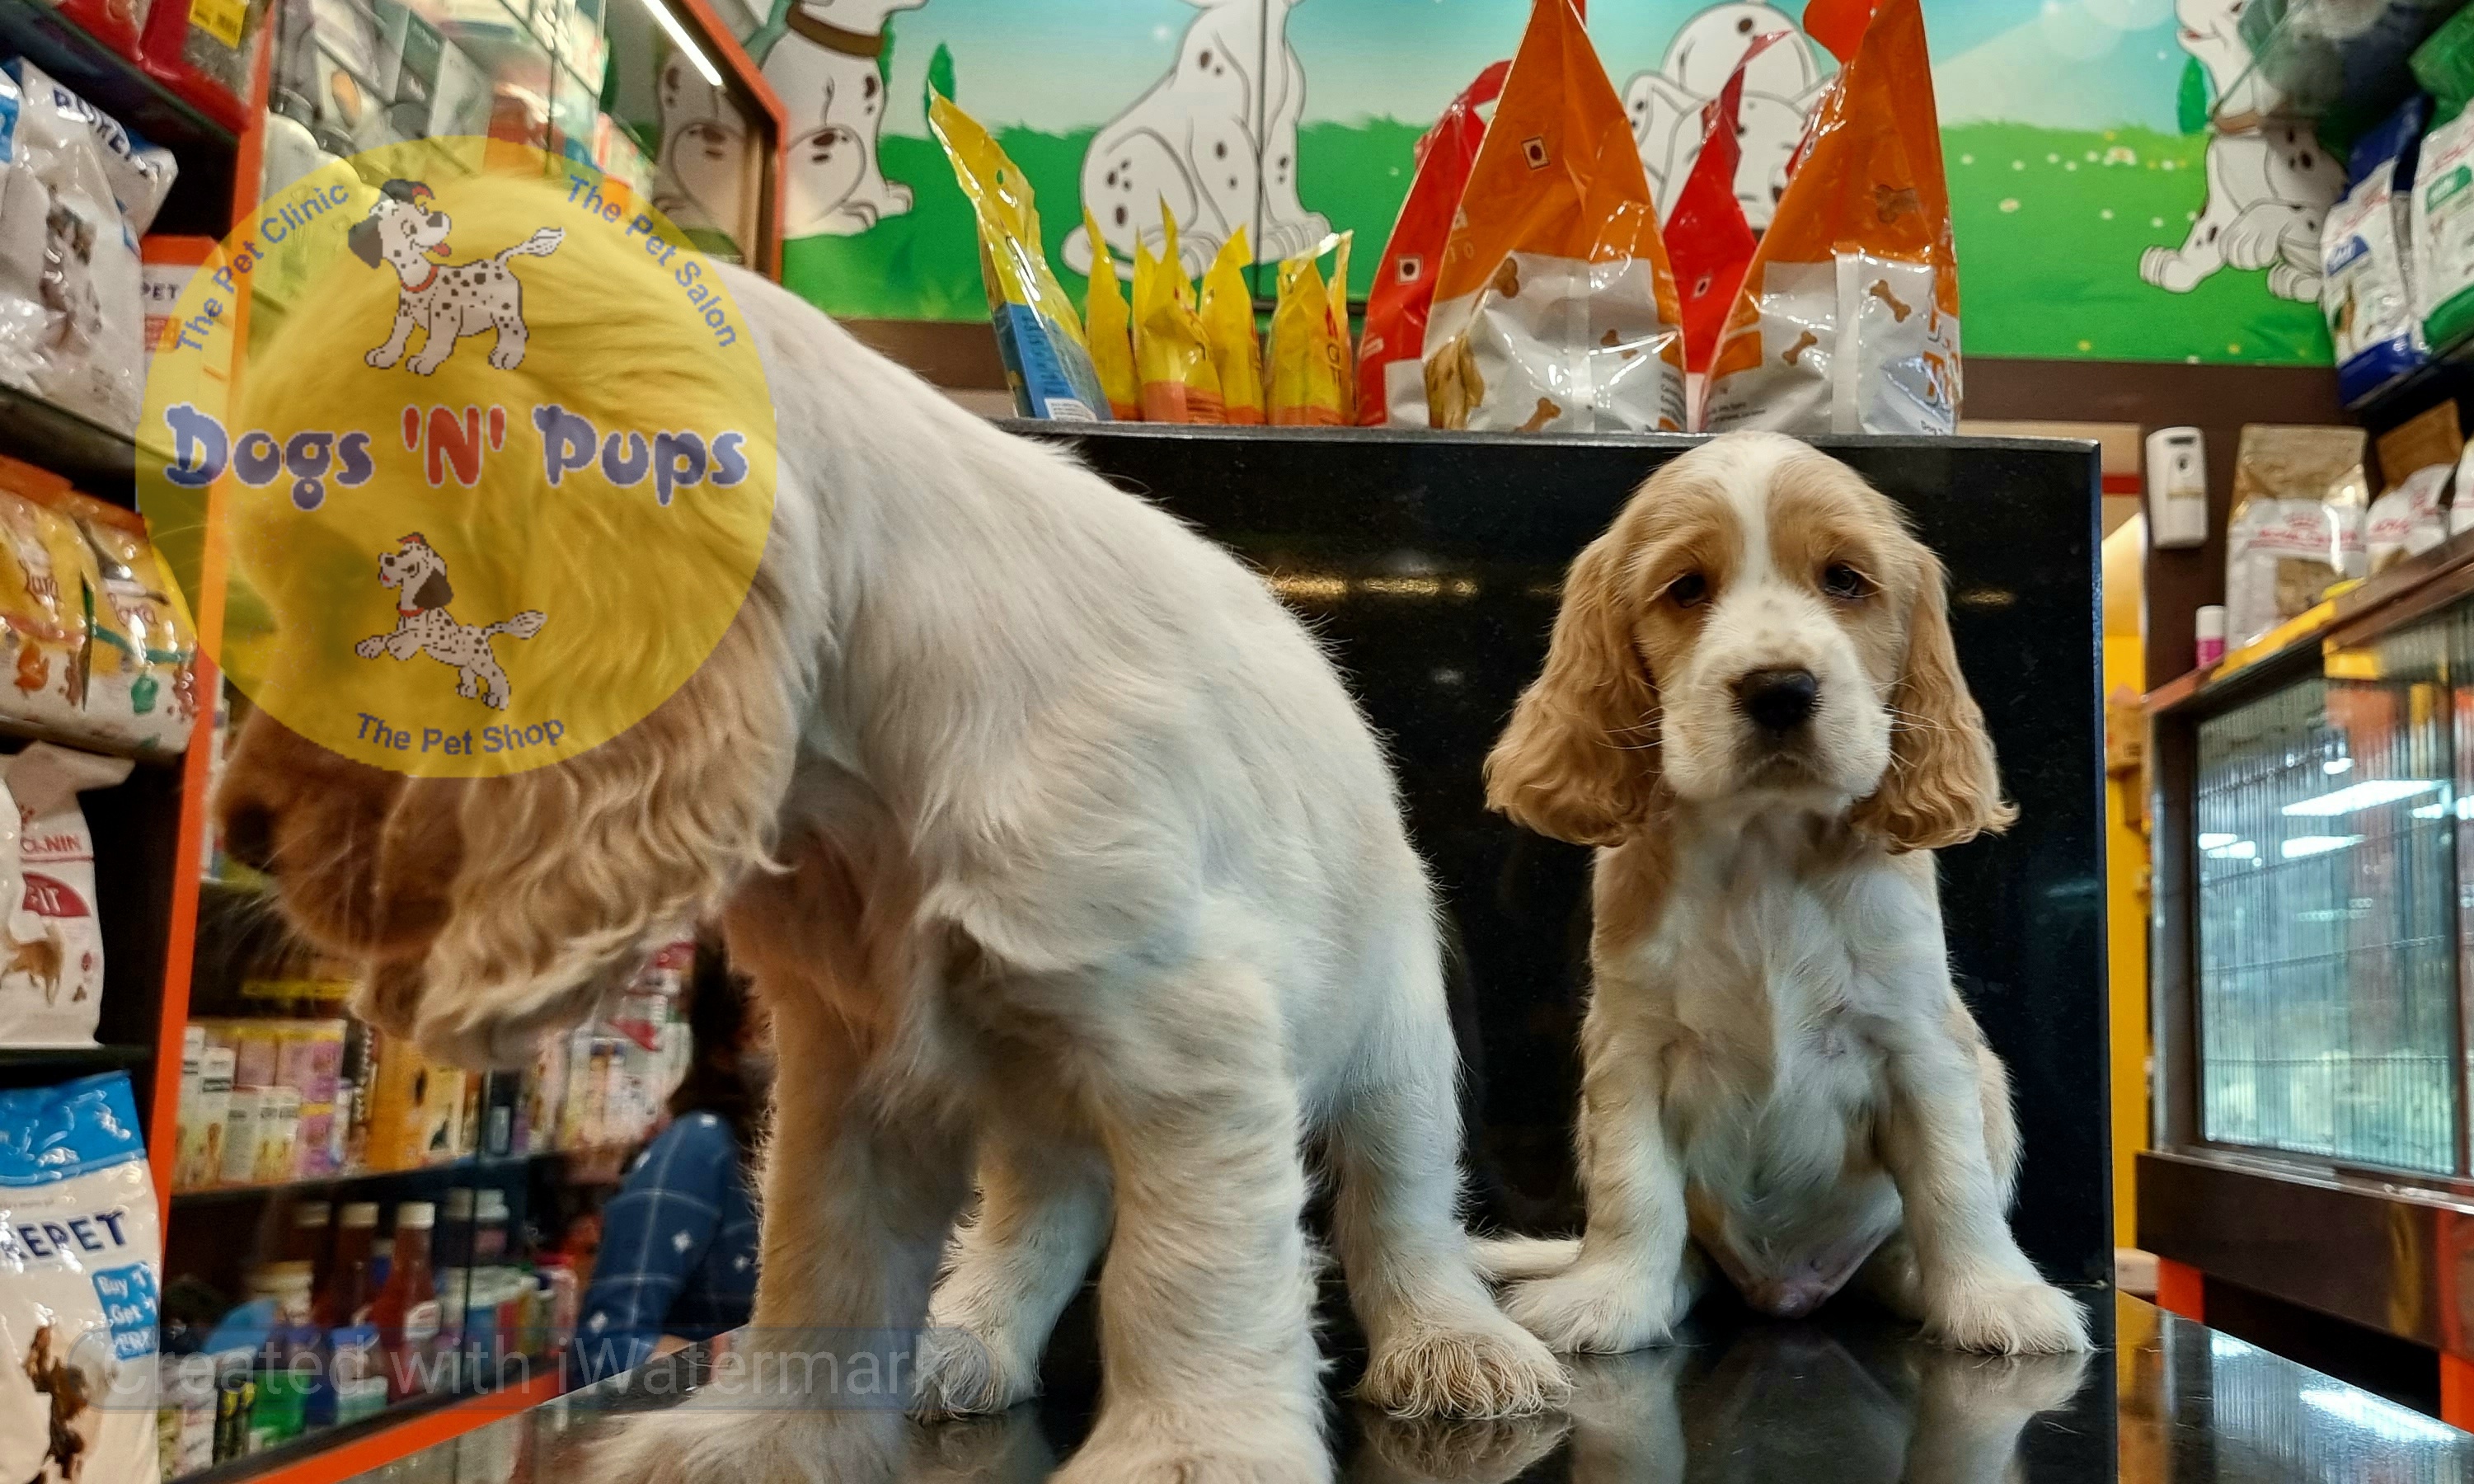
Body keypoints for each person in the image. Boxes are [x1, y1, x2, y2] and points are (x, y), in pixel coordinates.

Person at [566, 937, 766, 1387]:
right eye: (770, 1030)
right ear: (723, 1048)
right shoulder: (701, 1148)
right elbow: (602, 1351)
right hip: (699, 1444)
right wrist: (735, 1372)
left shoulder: (830, 1163)